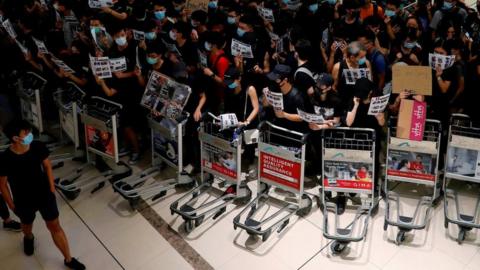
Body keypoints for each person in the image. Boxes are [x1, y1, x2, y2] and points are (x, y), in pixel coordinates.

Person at [0, 120, 85, 270]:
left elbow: (46, 165)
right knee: (27, 225)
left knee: (55, 226)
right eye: (25, 133)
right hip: (23, 200)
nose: (29, 135)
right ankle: (28, 237)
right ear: (15, 138)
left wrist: (52, 188)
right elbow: (2, 184)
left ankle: (68, 258)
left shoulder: (38, 146)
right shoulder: (5, 158)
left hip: (44, 194)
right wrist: (12, 205)